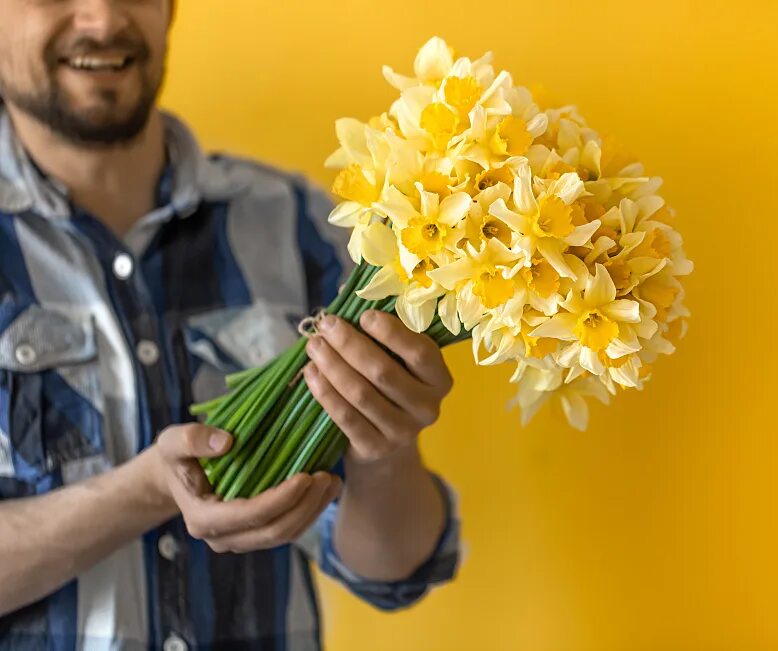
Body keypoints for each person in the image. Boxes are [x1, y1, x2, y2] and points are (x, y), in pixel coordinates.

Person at [0, 1, 462, 649]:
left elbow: (391, 567)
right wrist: (148, 489)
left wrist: (385, 450)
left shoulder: (302, 221)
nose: (102, 20)